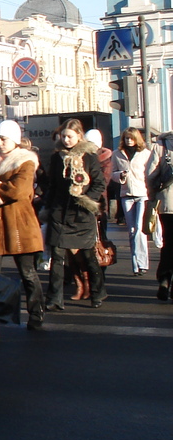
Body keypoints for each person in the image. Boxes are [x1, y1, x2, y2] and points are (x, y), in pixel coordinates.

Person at [0, 119, 46, 337]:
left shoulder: (26, 161)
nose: (0, 143)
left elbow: (19, 190)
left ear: (15, 140)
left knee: (28, 273)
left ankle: (36, 314)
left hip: (20, 223)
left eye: (4, 139)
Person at [45, 119, 106, 311]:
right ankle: (54, 298)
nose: (66, 140)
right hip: (60, 213)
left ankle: (97, 293)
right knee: (57, 256)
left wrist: (87, 200)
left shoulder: (89, 156)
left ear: (79, 136)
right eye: (63, 136)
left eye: (69, 136)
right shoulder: (57, 157)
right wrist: (48, 207)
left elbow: (99, 183)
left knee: (87, 256)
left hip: (81, 214)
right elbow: (52, 184)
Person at [112, 127, 151, 276]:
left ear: (137, 139)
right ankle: (135, 265)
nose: (129, 140)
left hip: (142, 194)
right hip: (126, 194)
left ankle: (142, 263)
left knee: (139, 229)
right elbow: (112, 173)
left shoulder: (145, 154)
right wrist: (120, 175)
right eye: (126, 138)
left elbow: (150, 173)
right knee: (132, 230)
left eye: (131, 138)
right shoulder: (117, 154)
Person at [146, 131, 173, 300]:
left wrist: (153, 194)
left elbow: (150, 174)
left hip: (168, 203)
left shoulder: (161, 146)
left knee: (168, 243)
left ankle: (164, 279)